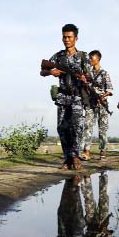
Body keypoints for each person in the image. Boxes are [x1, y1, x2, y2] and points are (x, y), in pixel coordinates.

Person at [40, 24, 90, 170]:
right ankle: (67, 158)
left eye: (69, 37)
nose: (66, 40)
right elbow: (42, 71)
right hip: (62, 96)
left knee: (77, 127)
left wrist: (84, 78)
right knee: (62, 128)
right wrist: (51, 72)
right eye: (64, 37)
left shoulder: (83, 56)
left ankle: (75, 157)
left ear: (76, 38)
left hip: (77, 97)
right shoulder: (58, 56)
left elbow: (89, 76)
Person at [80, 50, 113, 161]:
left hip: (102, 104)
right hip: (90, 103)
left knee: (102, 129)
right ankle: (86, 151)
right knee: (88, 126)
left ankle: (103, 151)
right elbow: (84, 87)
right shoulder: (88, 73)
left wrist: (102, 97)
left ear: (98, 59)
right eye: (89, 58)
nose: (90, 60)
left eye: (92, 58)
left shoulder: (104, 73)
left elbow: (109, 89)